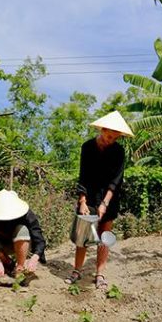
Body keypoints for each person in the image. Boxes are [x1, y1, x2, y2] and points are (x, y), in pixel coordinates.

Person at [64, 111, 134, 289]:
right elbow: (83, 175)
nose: (110, 140)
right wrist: (82, 201)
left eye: (115, 138)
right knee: (83, 234)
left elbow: (116, 180)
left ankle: (100, 274)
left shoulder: (118, 151)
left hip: (109, 197)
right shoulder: (87, 147)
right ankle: (77, 270)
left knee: (104, 236)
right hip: (89, 195)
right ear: (102, 130)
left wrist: (105, 203)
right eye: (109, 136)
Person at [0, 190, 46, 276]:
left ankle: (20, 267)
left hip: (22, 242)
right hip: (2, 243)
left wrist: (35, 257)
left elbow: (39, 238)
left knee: (22, 229)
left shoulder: (26, 214)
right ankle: (8, 263)